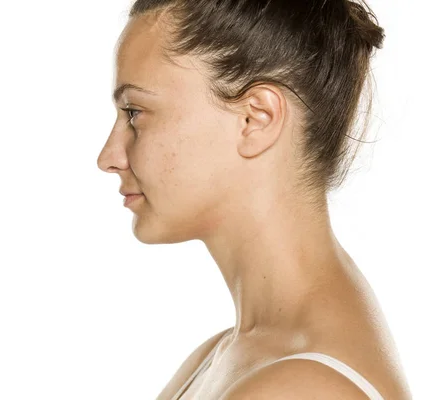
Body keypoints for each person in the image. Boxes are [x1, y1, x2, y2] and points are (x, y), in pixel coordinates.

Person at [97, 0, 412, 399]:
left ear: (255, 119)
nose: (108, 157)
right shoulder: (221, 355)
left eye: (134, 112)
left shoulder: (304, 389)